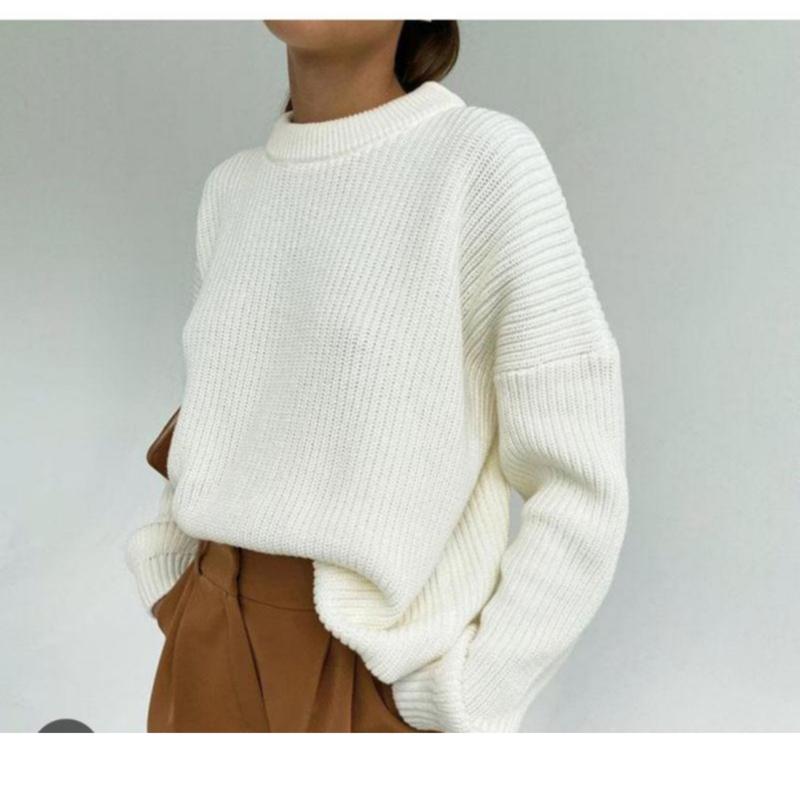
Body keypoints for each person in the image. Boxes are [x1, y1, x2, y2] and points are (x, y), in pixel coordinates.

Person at [125, 19, 630, 733]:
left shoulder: (479, 162)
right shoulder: (233, 190)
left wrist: (468, 693)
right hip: (207, 637)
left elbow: (580, 485)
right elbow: (222, 415)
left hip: (365, 669)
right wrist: (172, 580)